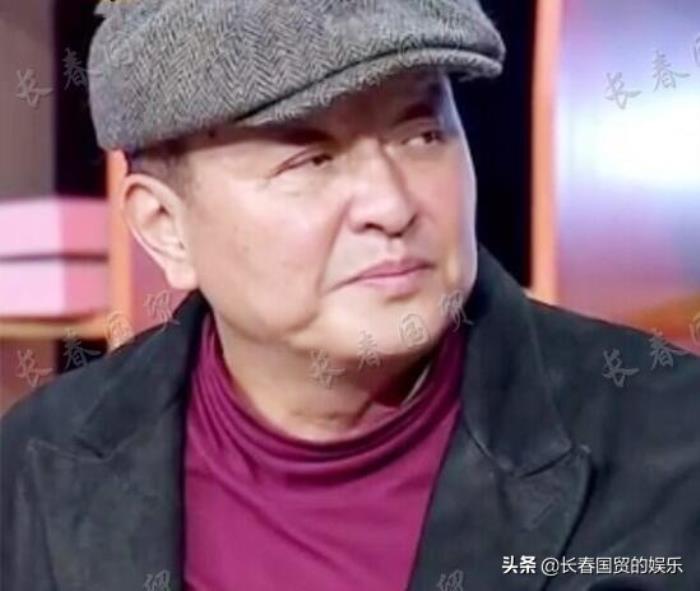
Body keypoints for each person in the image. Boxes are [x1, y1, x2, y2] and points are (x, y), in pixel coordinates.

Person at [2, 1, 699, 589]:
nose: (392, 205)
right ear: (166, 228)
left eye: (422, 134)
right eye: (311, 159)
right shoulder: (32, 469)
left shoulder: (672, 441)